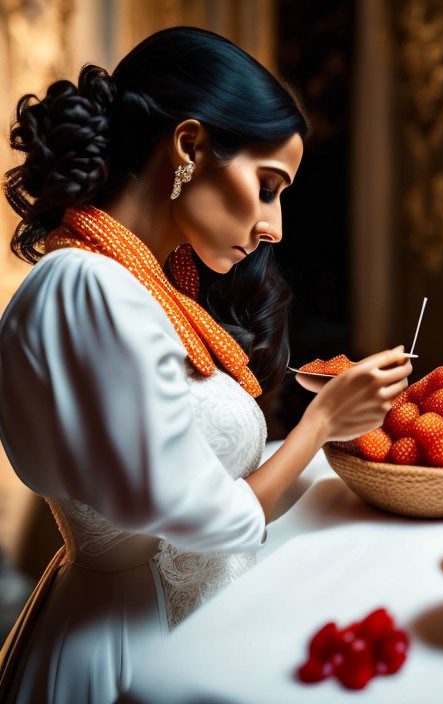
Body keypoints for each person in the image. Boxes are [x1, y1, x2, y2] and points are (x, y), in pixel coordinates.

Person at [0, 27, 412, 704]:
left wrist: (341, 434)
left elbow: (209, 477)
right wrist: (319, 424)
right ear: (189, 147)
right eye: (268, 185)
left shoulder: (151, 289)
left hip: (195, 627)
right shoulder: (88, 286)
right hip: (128, 647)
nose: (275, 225)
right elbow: (195, 511)